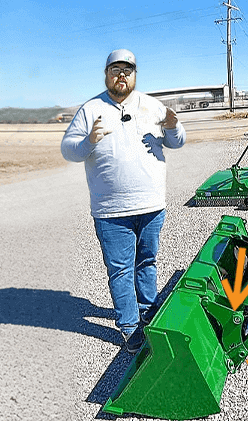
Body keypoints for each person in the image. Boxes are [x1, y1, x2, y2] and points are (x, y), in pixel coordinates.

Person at [61, 49, 186, 353]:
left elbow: (177, 142)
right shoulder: (90, 109)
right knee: (120, 270)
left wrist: (173, 127)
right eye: (115, 70)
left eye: (127, 70)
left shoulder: (153, 106)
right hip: (111, 211)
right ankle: (130, 328)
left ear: (135, 75)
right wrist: (89, 140)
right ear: (106, 74)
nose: (121, 75)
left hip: (151, 206)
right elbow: (68, 149)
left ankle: (149, 312)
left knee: (147, 262)